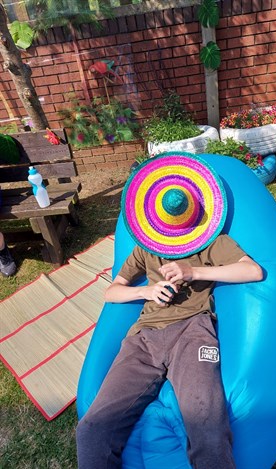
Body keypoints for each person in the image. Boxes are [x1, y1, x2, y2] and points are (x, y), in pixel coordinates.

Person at [76, 154, 263, 469]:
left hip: (193, 332)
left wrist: (194, 272)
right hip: (144, 338)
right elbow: (112, 290)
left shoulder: (213, 243)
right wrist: (146, 291)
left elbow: (253, 272)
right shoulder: (145, 247)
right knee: (92, 429)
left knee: (207, 427)